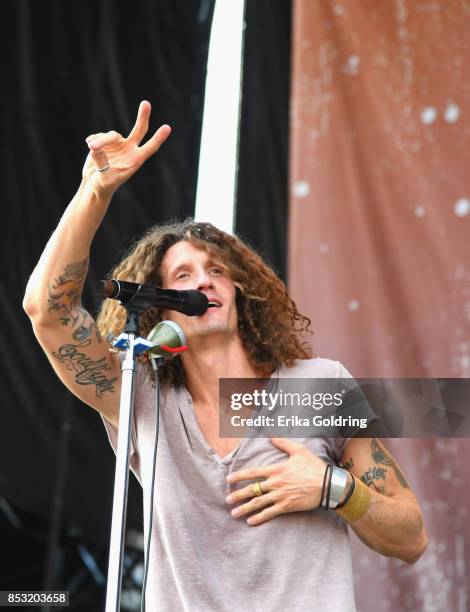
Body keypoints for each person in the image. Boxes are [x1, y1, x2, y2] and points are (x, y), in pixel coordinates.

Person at [23, 100, 427, 611]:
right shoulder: (139, 392)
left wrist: (334, 488)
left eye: (216, 269)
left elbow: (411, 537)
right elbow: (47, 310)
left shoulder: (318, 386)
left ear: (239, 290)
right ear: (158, 305)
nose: (204, 281)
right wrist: (94, 192)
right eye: (183, 276)